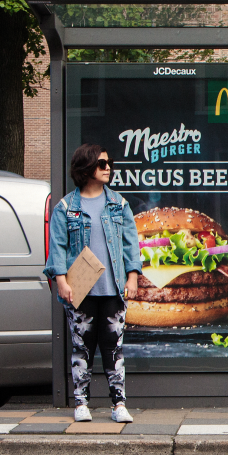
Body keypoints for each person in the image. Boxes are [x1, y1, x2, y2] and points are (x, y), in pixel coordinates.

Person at [44, 144, 142, 423]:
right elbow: (58, 248)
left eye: (109, 162)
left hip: (113, 289)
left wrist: (132, 276)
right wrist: (61, 281)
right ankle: (81, 403)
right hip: (80, 289)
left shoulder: (119, 204)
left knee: (113, 346)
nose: (108, 167)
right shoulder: (66, 207)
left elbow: (130, 244)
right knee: (81, 347)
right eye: (102, 164)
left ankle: (119, 404)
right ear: (86, 168)